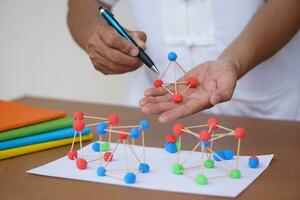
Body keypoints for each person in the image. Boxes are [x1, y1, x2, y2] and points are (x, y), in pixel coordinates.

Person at [67, 0, 300, 123]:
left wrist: (233, 62)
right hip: (157, 114)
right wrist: (96, 36)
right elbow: (84, 3)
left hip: (271, 116)